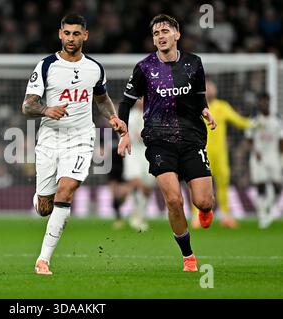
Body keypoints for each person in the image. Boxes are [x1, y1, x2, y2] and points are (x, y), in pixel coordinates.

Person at [21, 13, 127, 275]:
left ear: (85, 36)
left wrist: (113, 117)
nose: (71, 38)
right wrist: (47, 110)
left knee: (66, 190)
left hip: (81, 138)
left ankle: (43, 260)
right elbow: (27, 105)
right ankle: (41, 197)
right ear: (60, 34)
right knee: (45, 208)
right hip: (49, 139)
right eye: (66, 33)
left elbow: (101, 99)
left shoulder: (95, 68)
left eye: (76, 33)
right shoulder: (46, 65)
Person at [117, 14, 217, 272]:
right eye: (155, 33)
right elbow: (126, 102)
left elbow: (199, 96)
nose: (160, 36)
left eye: (164, 31)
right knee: (173, 200)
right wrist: (124, 132)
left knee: (203, 201)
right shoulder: (144, 68)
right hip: (159, 141)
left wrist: (205, 110)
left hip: (192, 138)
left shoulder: (194, 64)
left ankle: (205, 210)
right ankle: (188, 257)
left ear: (177, 35)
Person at [191, 79, 253, 229]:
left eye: (212, 87)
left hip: (220, 154)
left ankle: (226, 216)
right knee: (199, 186)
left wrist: (255, 123)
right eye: (207, 87)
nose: (210, 89)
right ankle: (196, 217)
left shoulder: (222, 106)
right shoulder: (196, 106)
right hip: (201, 152)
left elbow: (239, 121)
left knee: (223, 184)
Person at [245, 93, 283, 229]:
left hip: (273, 156)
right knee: (260, 186)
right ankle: (262, 215)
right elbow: (248, 139)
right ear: (258, 103)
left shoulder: (276, 119)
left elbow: (281, 140)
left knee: (278, 186)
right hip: (258, 157)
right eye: (261, 101)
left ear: (269, 102)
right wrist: (255, 151)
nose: (263, 104)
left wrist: (281, 156)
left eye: (266, 101)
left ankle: (267, 207)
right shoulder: (254, 120)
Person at [123, 98, 155, 232]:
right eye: (140, 99)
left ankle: (140, 215)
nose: (142, 101)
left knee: (147, 188)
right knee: (136, 182)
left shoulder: (153, 114)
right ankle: (135, 215)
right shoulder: (131, 115)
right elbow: (136, 136)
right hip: (133, 152)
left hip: (148, 153)